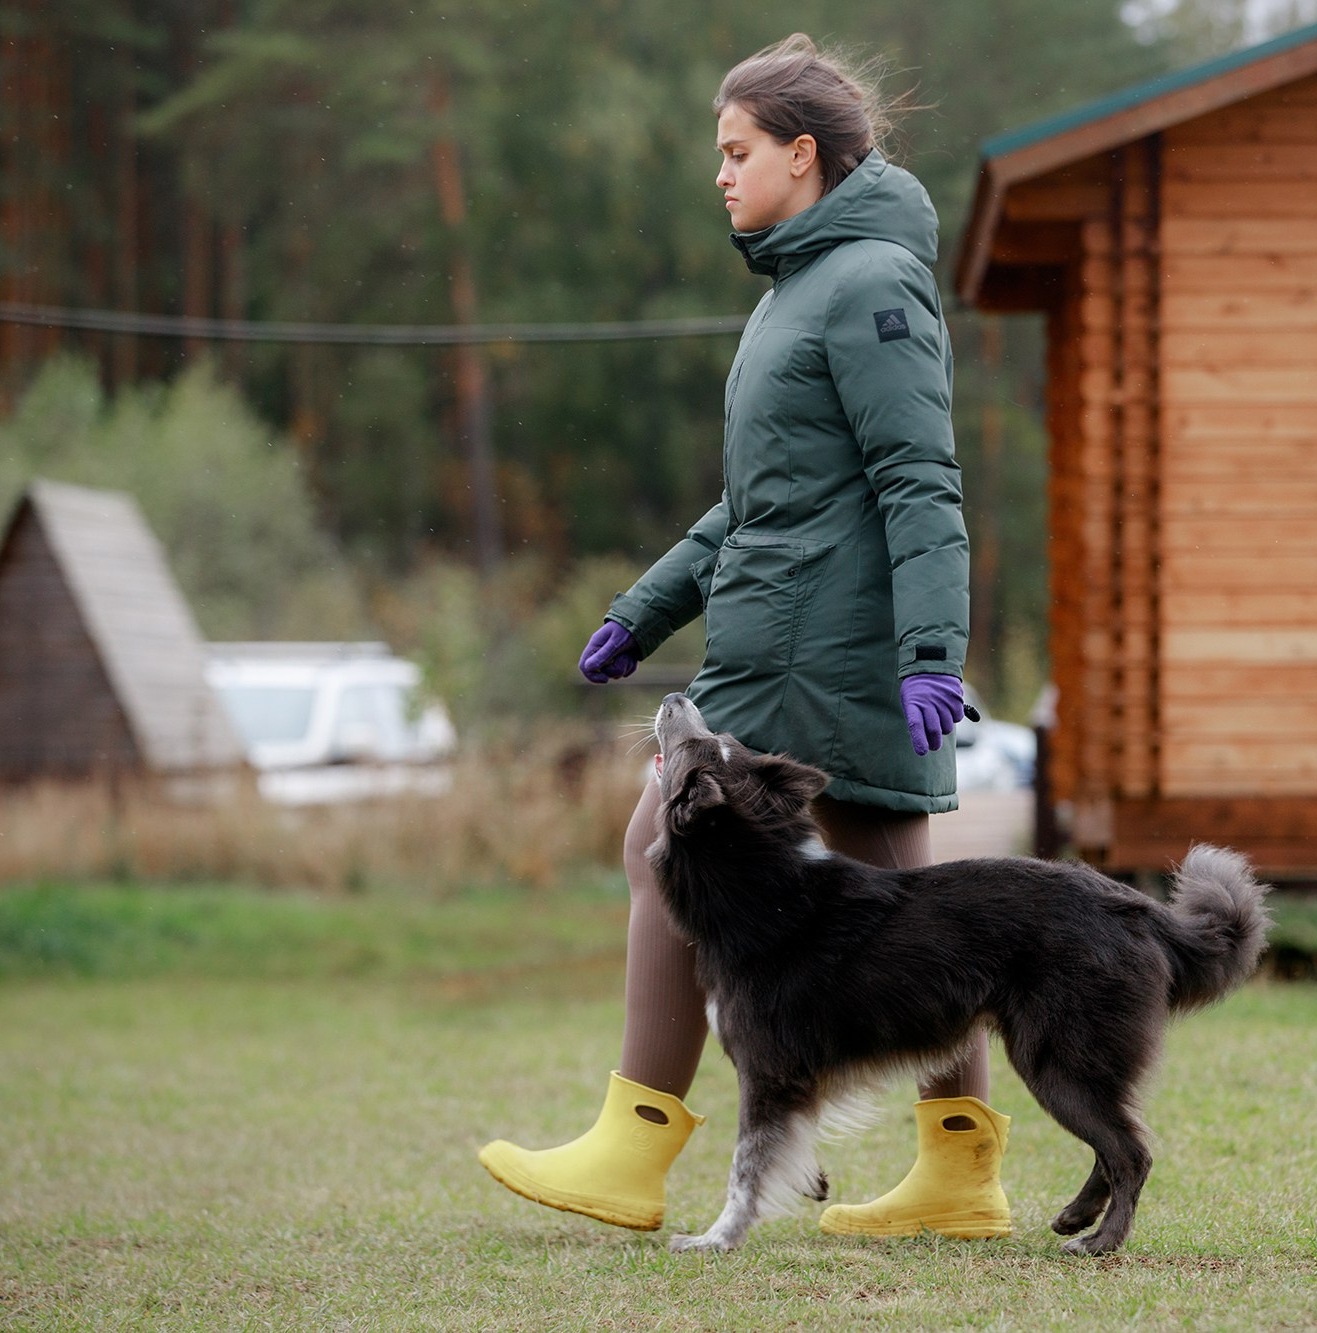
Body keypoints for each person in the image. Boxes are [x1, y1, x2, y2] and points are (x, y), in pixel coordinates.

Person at [477, 33, 1011, 1241]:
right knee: (902, 902)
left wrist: (932, 651)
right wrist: (642, 606)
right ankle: (959, 1169)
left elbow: (920, 481)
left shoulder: (868, 283)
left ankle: (632, 1144)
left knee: (664, 841)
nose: (719, 175)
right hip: (785, 636)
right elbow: (755, 501)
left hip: (823, 651)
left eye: (735, 151)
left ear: (801, 155)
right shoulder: (797, 291)